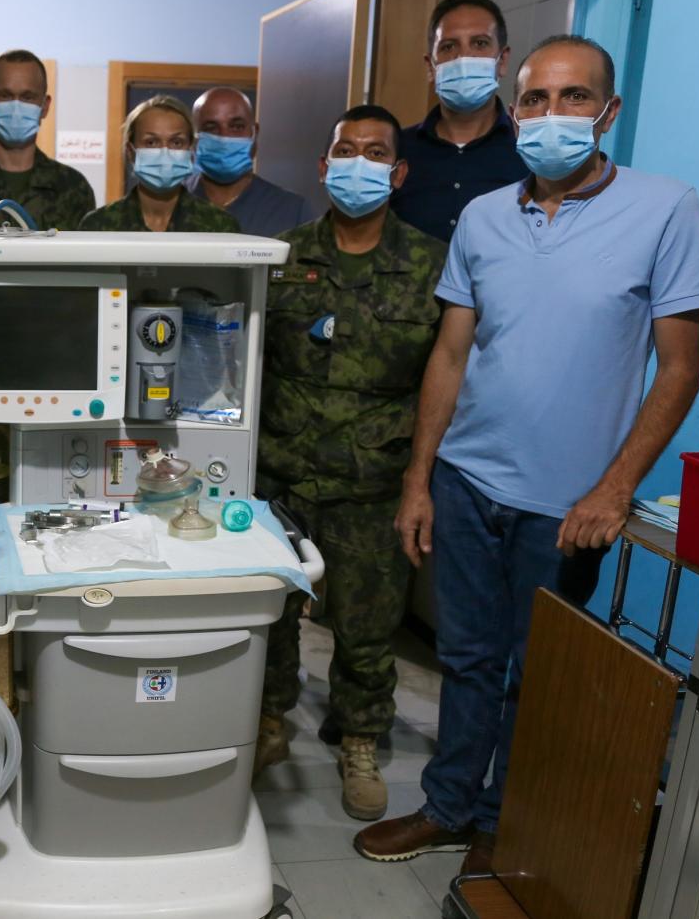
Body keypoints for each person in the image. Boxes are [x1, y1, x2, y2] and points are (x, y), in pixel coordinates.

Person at [356, 35, 699, 875]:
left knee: (536, 671)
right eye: (535, 99)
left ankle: (503, 823)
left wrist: (615, 489)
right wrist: (420, 478)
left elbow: (681, 369)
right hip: (467, 480)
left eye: (574, 97)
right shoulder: (486, 216)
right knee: (465, 659)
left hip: (567, 504)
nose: (552, 115)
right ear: (514, 111)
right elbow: (452, 354)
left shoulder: (665, 208)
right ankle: (449, 805)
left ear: (608, 111)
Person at [256, 106, 446, 823]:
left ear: (397, 174)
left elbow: (444, 377)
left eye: (374, 153)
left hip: (375, 479)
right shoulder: (280, 256)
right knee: (272, 613)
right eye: (345, 150)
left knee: (368, 626)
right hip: (281, 471)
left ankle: (360, 739)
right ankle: (268, 721)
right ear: (323, 165)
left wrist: (420, 481)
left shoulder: (430, 264)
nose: (357, 164)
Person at [389, 0, 527, 242]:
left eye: (480, 43)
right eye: (448, 47)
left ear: (502, 60)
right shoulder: (395, 151)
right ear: (430, 66)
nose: (464, 57)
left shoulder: (530, 151)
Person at [0, 49, 95, 230]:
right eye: (5, 95)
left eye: (28, 97)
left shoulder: (74, 189)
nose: (16, 107)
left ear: (45, 106)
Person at [79, 95, 240, 233]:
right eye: (151, 142)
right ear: (130, 151)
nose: (165, 152)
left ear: (191, 150)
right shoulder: (98, 226)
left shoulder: (220, 226)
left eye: (176, 142)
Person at [186, 86, 310, 236]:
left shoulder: (292, 210)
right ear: (193, 138)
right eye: (211, 128)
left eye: (237, 127)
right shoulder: (171, 205)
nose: (225, 137)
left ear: (255, 132)